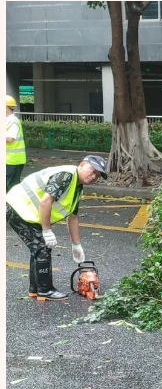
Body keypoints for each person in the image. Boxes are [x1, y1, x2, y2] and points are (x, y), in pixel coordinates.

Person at [6, 155, 107, 300]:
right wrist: (46, 230)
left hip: (27, 212)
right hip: (17, 207)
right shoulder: (66, 176)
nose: (93, 176)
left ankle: (35, 289)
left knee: (39, 248)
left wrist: (76, 245)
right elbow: (45, 202)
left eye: (97, 175)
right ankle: (45, 291)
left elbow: (73, 217)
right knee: (42, 246)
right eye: (92, 170)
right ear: (82, 164)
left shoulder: (77, 187)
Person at [6, 94, 26, 191]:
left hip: (13, 161)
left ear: (5, 108)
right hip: (8, 161)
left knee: (11, 188)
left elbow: (10, 138)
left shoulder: (13, 122)